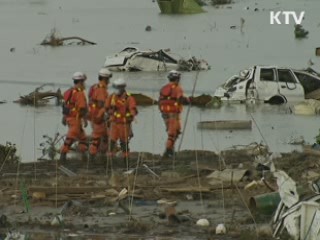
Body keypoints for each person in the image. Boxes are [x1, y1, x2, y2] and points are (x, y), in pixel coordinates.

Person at [105, 78, 138, 162]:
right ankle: (109, 162)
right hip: (114, 123)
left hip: (124, 124)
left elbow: (132, 109)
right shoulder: (112, 97)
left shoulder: (129, 98)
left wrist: (133, 115)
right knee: (111, 143)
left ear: (122, 88)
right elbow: (106, 108)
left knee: (124, 143)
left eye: (118, 87)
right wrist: (108, 115)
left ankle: (126, 161)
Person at [159, 70, 189, 158]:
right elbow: (180, 99)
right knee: (173, 133)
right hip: (173, 114)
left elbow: (160, 101)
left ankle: (170, 150)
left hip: (164, 114)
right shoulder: (177, 88)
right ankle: (168, 151)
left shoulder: (164, 88)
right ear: (177, 79)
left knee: (174, 132)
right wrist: (188, 100)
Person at [60, 72, 88, 162]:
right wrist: (85, 118)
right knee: (71, 137)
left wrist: (64, 117)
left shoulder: (69, 91)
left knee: (82, 138)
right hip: (75, 119)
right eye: (83, 81)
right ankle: (63, 154)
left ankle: (84, 156)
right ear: (80, 81)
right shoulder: (79, 93)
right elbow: (82, 107)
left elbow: (65, 106)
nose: (84, 84)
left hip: (70, 118)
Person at [87, 68, 112, 160]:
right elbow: (102, 104)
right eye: (108, 79)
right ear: (105, 79)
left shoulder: (94, 87)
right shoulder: (101, 90)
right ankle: (92, 157)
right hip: (99, 117)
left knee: (105, 136)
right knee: (97, 138)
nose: (109, 81)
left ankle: (102, 155)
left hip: (93, 115)